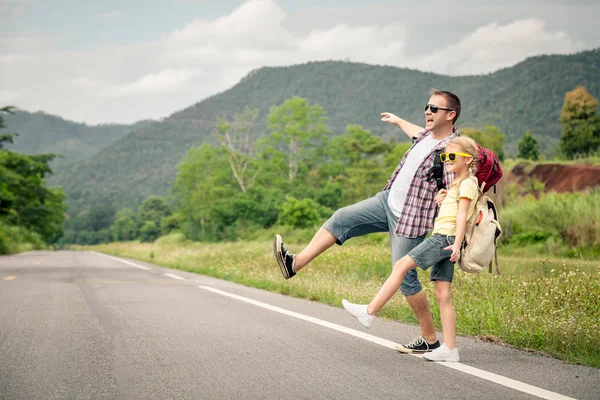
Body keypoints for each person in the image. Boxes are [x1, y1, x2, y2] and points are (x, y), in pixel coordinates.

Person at [274, 90, 461, 354]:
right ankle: (294, 264)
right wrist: (398, 121)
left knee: (405, 277)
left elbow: (458, 186)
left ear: (450, 115)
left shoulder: (453, 150)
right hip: (385, 201)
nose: (427, 112)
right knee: (341, 218)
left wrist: (448, 208)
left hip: (410, 219)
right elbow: (415, 131)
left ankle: (430, 340)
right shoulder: (425, 136)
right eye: (426, 107)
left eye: (434, 109)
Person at [342, 136, 480, 362]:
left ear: (469, 159)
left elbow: (463, 215)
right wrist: (444, 200)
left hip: (445, 238)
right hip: (448, 237)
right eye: (444, 156)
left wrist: (456, 243)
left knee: (401, 265)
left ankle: (369, 312)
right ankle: (450, 349)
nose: (446, 160)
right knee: (442, 294)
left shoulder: (467, 184)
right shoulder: (458, 184)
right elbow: (456, 211)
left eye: (451, 156)